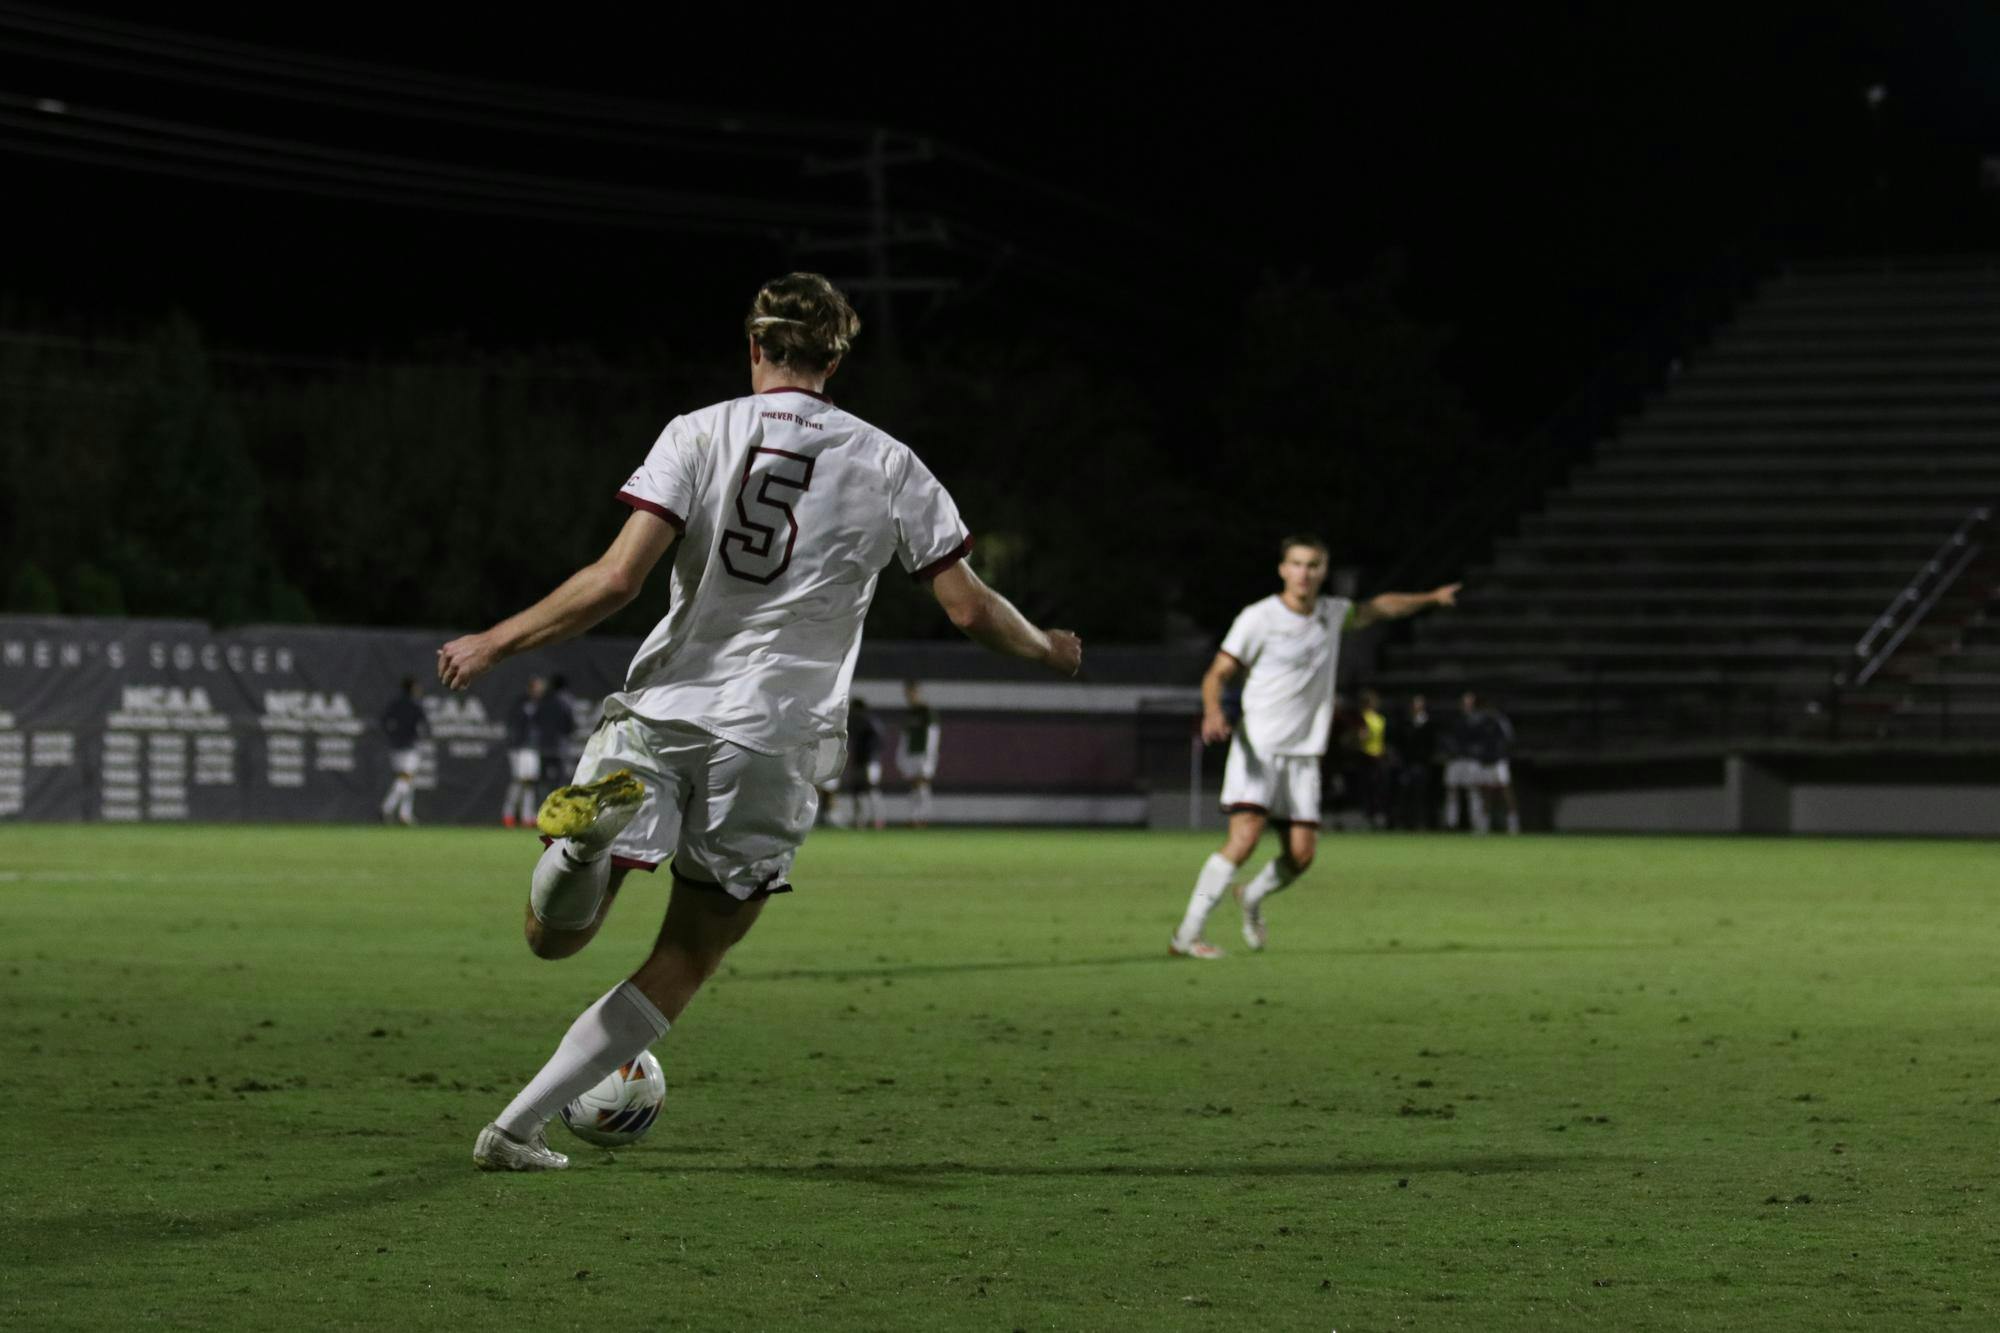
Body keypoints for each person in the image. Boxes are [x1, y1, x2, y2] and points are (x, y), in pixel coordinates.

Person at [435, 272, 1082, 1171]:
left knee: (554, 937)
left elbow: (616, 581)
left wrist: (496, 641)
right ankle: (512, 1127)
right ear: (837, 358)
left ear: (754, 347)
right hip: (775, 736)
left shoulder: (698, 432)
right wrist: (1046, 647)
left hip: (663, 707)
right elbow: (970, 610)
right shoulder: (891, 461)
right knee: (689, 951)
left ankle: (584, 847)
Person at [1169, 535, 1458, 958]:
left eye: (1314, 565)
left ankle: (1250, 897)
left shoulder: (1332, 614)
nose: (1304, 573)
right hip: (1259, 748)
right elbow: (1217, 673)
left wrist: (1431, 597)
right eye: (1297, 564)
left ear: (1324, 571)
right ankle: (1187, 934)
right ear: (1283, 569)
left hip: (1304, 756)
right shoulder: (1259, 618)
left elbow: (1382, 607)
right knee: (1245, 837)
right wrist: (1213, 711)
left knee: (1301, 856)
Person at [1464, 691, 1521, 835]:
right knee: (1486, 793)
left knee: (1505, 791)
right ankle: (1483, 826)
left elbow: (1509, 739)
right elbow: (1475, 740)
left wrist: (1501, 754)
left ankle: (1513, 824)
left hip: (1498, 761)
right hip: (1486, 761)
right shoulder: (1480, 722)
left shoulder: (1500, 721)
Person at [378, 676, 429, 826]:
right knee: (405, 779)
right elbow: (425, 726)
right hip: (409, 748)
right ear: (412, 688)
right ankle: (386, 807)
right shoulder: (415, 706)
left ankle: (405, 815)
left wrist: (392, 734)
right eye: (417, 687)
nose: (419, 690)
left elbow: (384, 721)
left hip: (396, 747)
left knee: (408, 780)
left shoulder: (395, 704)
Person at [896, 679, 942, 827]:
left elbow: (933, 734)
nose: (909, 696)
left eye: (911, 693)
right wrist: (901, 755)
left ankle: (922, 816)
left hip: (923, 754)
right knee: (915, 787)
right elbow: (905, 736)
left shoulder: (927, 712)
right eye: (907, 694)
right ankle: (915, 817)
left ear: (917, 693)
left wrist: (930, 756)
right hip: (911, 754)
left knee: (922, 785)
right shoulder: (909, 713)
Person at [501, 677, 546, 828]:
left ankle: (528, 816)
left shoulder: (541, 705)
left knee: (530, 783)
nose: (540, 691)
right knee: (518, 782)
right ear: (531, 688)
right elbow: (514, 725)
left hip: (533, 749)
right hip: (519, 749)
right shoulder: (521, 703)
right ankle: (508, 814)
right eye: (537, 688)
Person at [1391, 693, 1439, 830]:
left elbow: (1431, 744)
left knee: (1421, 794)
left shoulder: (1429, 723)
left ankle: (1421, 822)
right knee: (1405, 794)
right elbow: (1399, 743)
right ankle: (1406, 822)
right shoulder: (1405, 723)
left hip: (1422, 764)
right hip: (1407, 764)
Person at [532, 673, 577, 804]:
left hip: (544, 745)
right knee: (560, 780)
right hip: (559, 745)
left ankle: (542, 807)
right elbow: (570, 723)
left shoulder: (543, 699)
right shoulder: (567, 700)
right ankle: (559, 807)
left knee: (543, 780)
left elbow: (535, 721)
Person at [847, 697, 885, 830]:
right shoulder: (857, 723)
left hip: (870, 762)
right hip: (860, 761)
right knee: (858, 792)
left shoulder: (870, 723)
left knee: (871, 790)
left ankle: (877, 820)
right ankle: (860, 821)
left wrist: (871, 756)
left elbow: (878, 743)